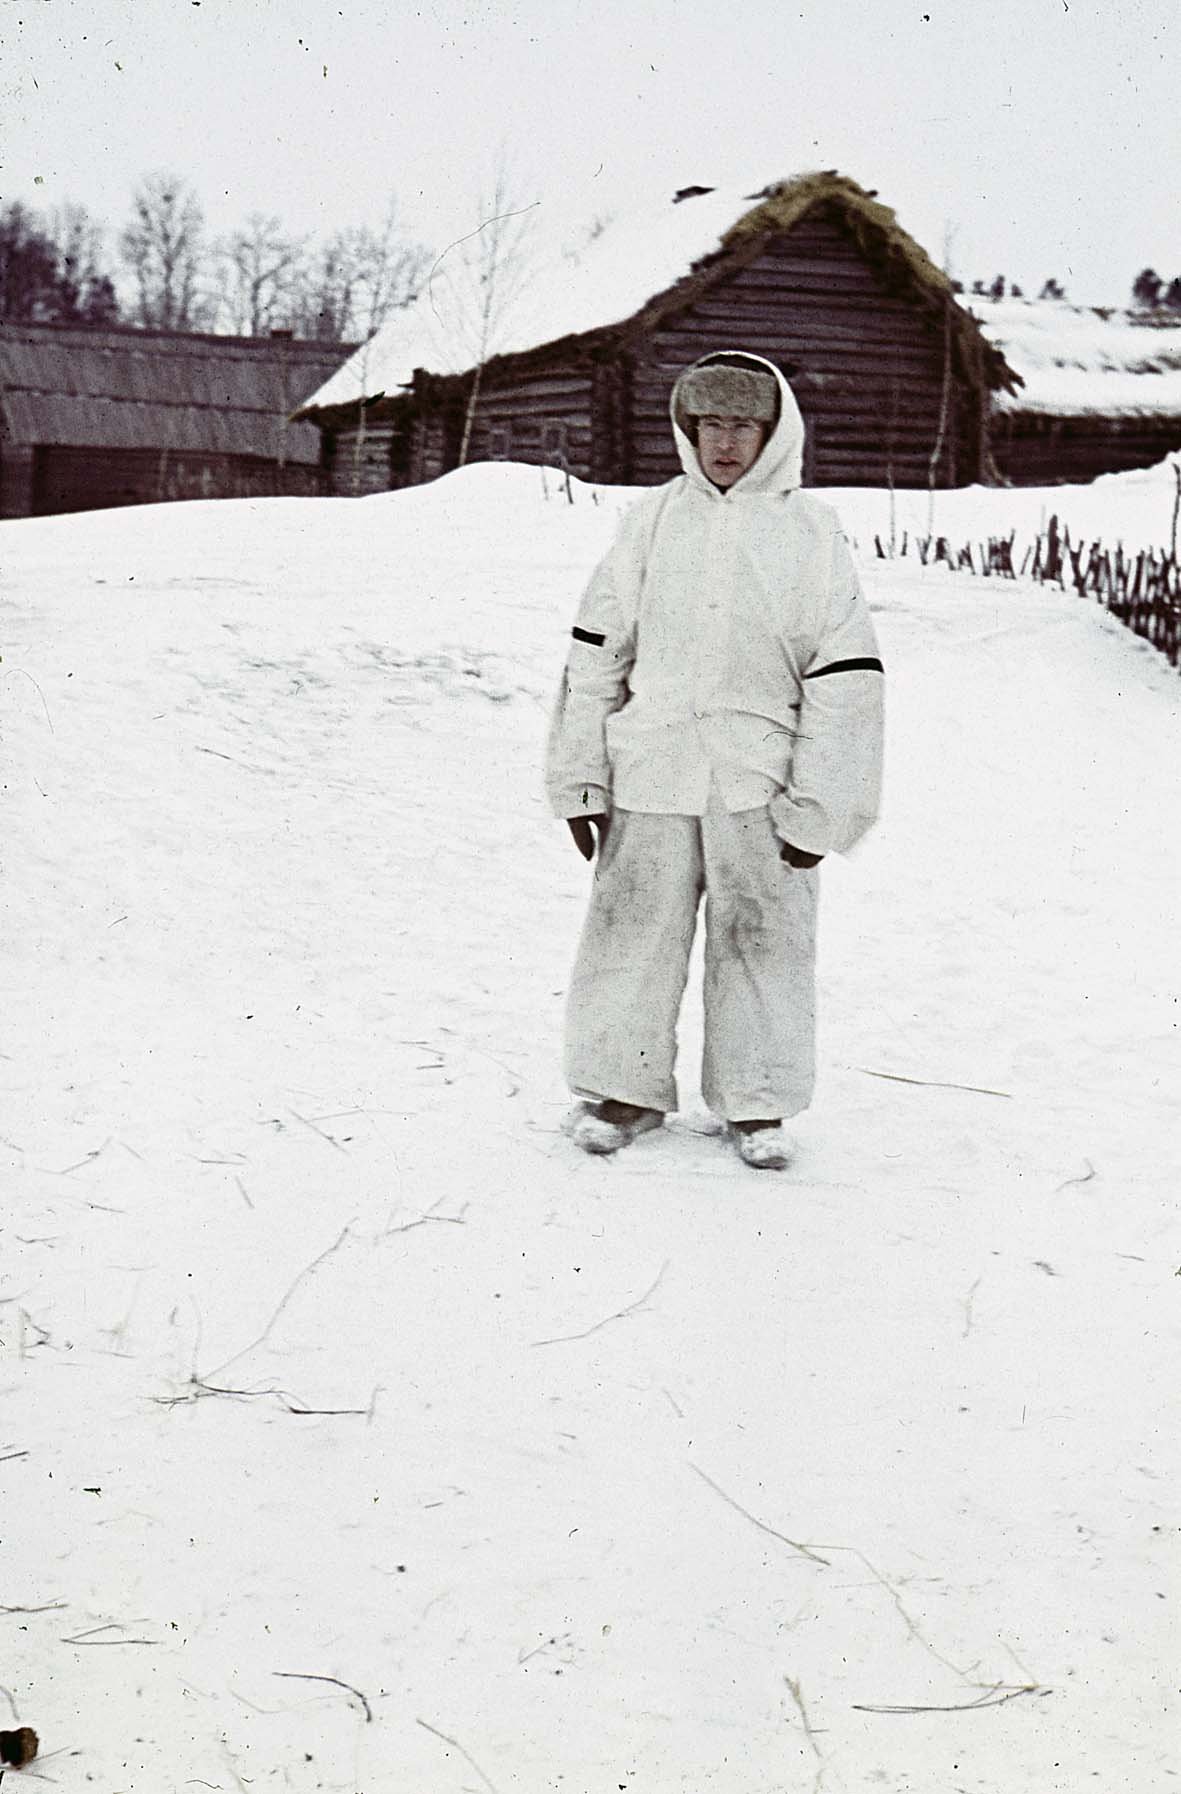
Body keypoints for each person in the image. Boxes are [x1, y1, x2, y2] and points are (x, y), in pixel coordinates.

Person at [546, 350, 884, 1170]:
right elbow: (595, 654)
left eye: (741, 426)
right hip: (650, 768)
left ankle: (756, 1101)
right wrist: (580, 779)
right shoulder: (651, 522)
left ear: (772, 432)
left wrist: (822, 806)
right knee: (630, 933)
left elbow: (843, 676)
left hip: (759, 779)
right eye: (708, 426)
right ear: (687, 431)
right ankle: (621, 1088)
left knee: (763, 939)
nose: (724, 444)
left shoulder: (810, 532)